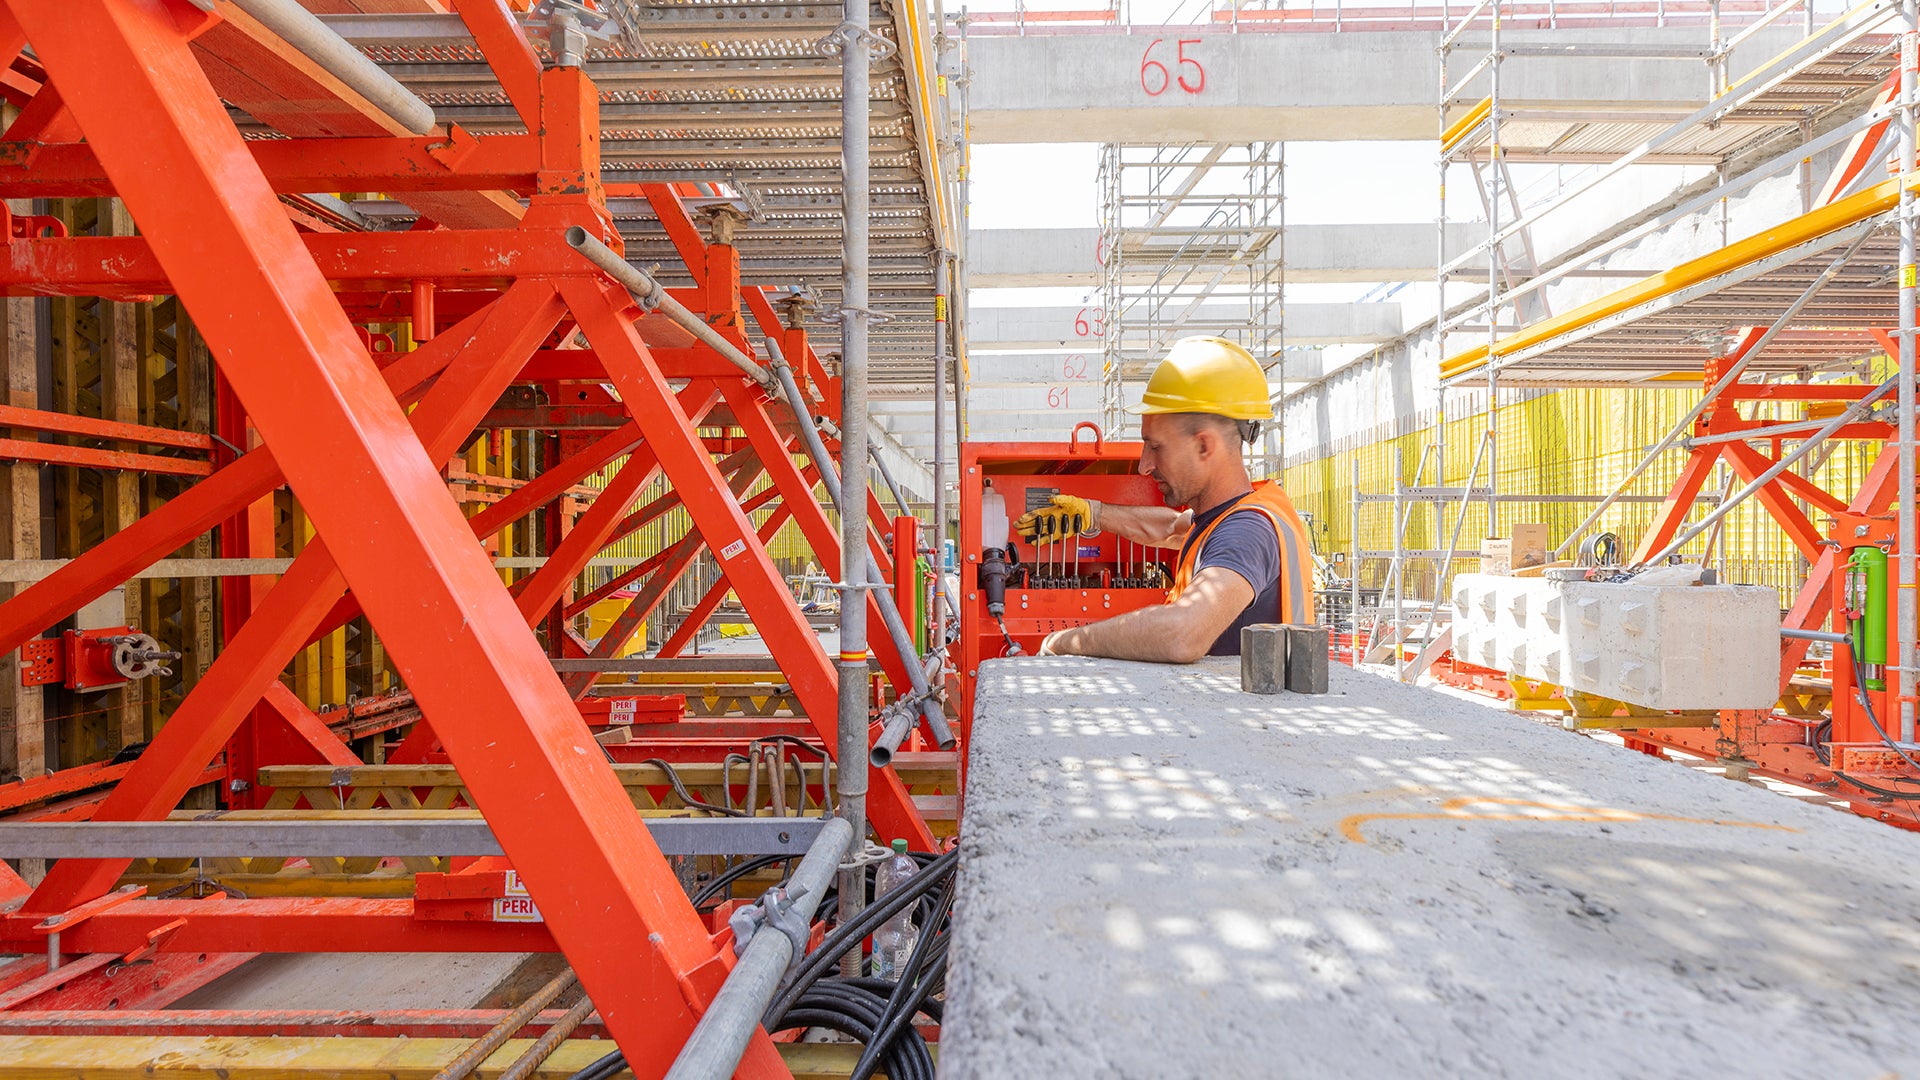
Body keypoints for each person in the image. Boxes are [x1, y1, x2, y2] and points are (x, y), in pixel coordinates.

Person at [1014, 336, 1313, 662]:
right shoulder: (1229, 516)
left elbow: (1181, 634)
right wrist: (1094, 513)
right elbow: (1171, 529)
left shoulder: (1246, 532)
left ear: (1204, 446)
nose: (1144, 465)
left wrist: (1064, 642)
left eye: (1155, 447)